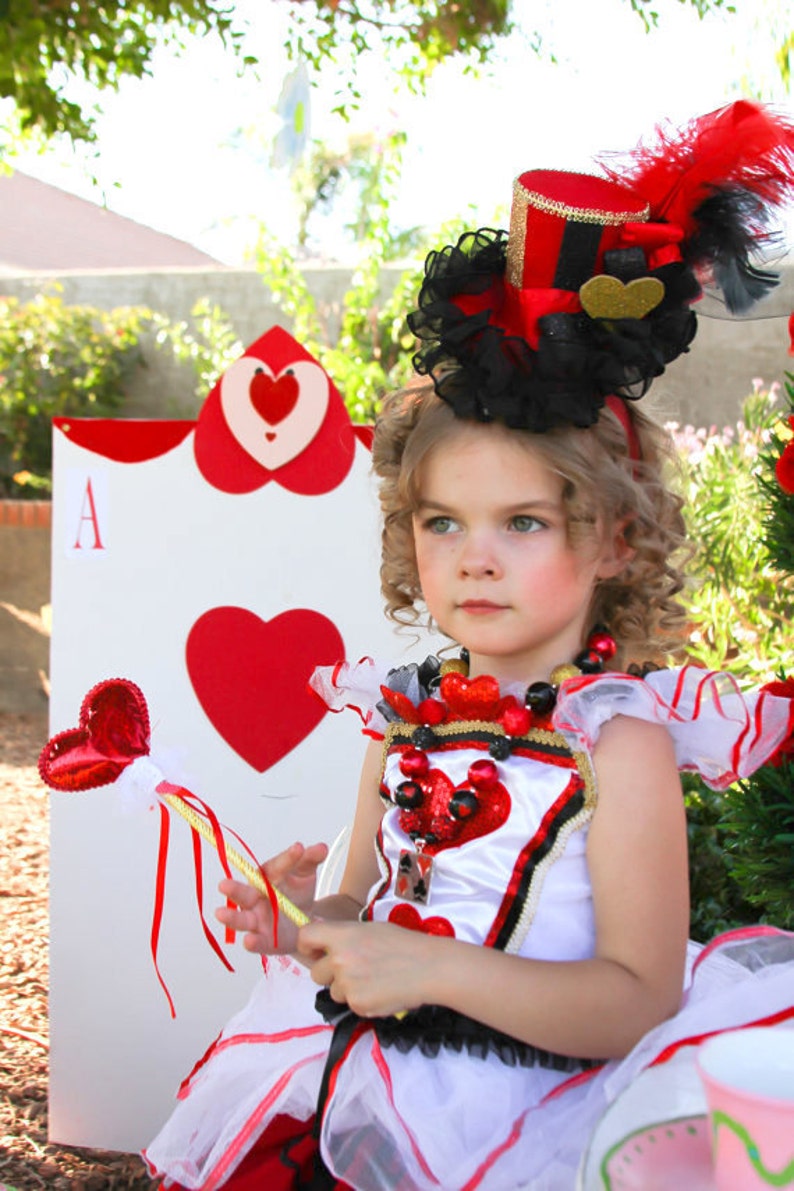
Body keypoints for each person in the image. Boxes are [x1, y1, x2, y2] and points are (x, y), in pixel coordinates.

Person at [146, 102, 794, 1190]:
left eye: (522, 523)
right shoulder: (401, 715)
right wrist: (296, 920)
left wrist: (429, 968)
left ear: (614, 538)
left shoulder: (618, 744)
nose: (474, 558)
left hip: (526, 1115)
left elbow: (633, 999)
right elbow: (363, 907)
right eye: (442, 521)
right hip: (359, 1088)